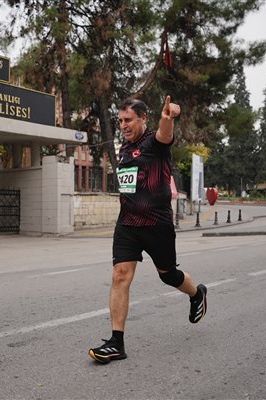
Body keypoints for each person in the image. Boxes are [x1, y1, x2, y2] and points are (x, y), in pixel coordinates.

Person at [88, 96, 207, 364]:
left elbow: (165, 134)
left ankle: (197, 293)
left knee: (168, 275)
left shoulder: (154, 142)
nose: (123, 125)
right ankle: (116, 343)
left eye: (128, 120)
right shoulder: (124, 148)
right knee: (120, 275)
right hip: (128, 224)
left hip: (156, 224)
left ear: (143, 118)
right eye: (120, 120)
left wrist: (167, 118)